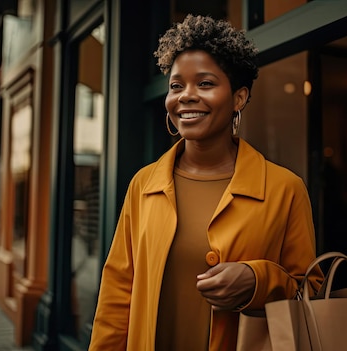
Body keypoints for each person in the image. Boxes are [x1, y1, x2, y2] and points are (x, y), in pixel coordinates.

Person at [89, 14, 323, 350]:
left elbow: (310, 290)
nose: (185, 96)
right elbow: (116, 293)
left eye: (205, 83)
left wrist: (258, 281)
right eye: (176, 85)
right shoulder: (143, 184)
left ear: (239, 98)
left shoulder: (285, 188)